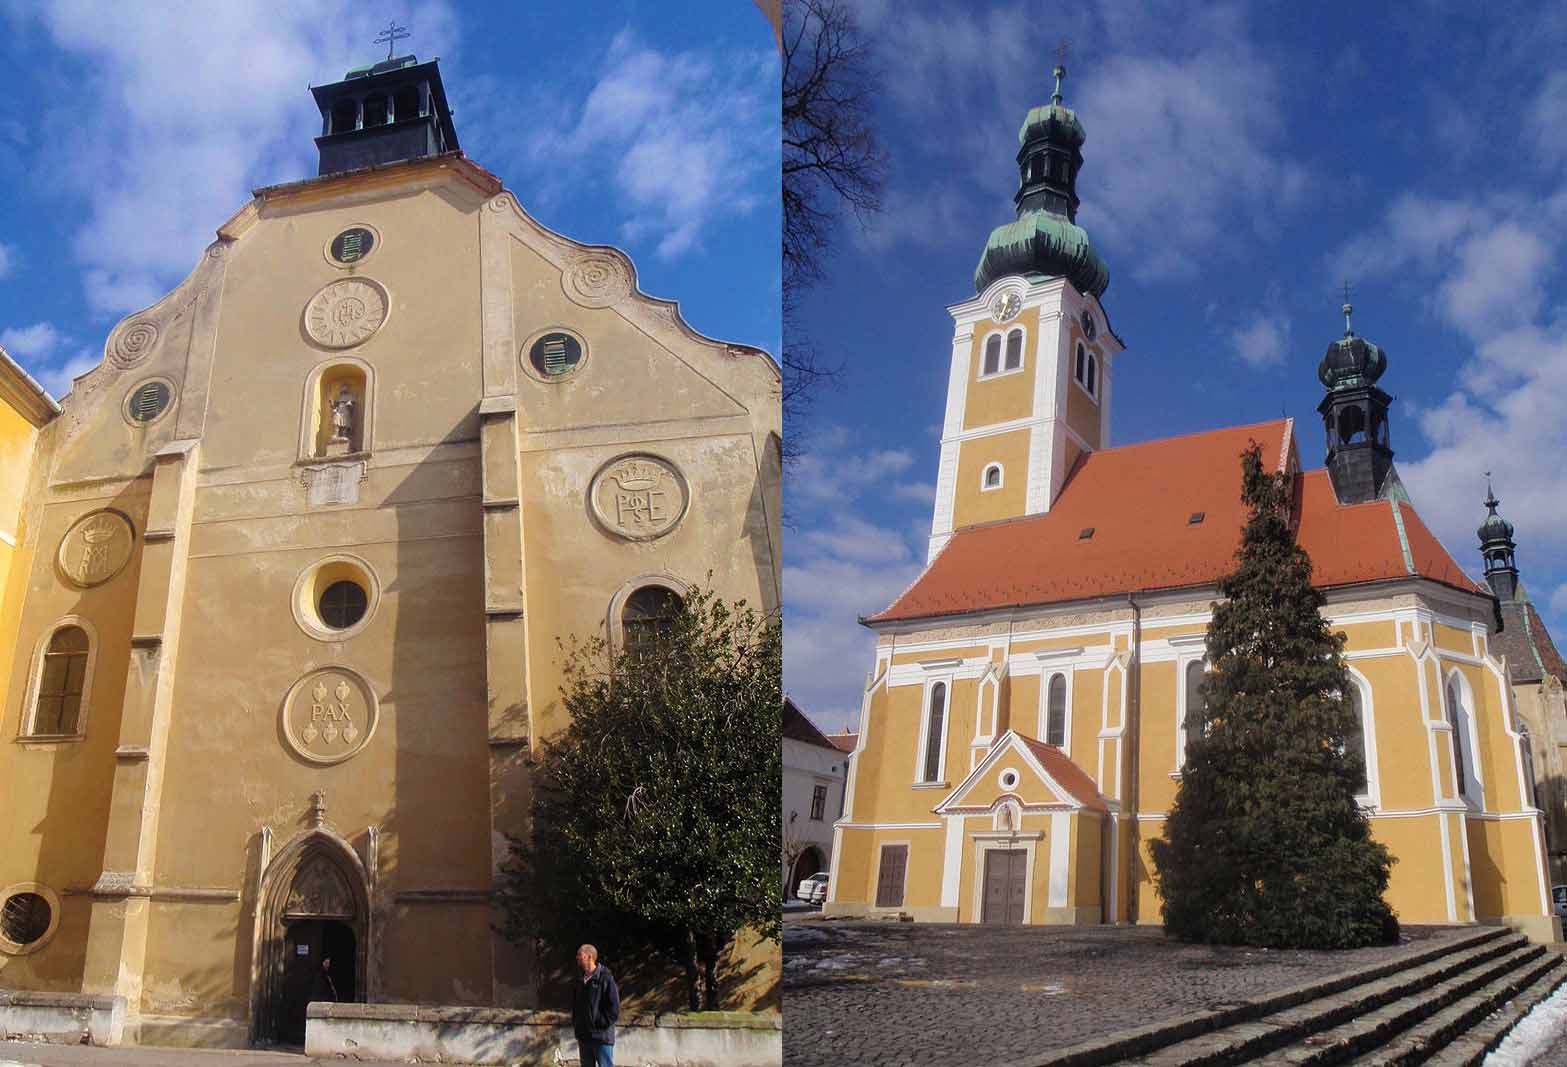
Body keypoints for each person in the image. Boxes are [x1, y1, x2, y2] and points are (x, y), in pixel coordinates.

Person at [571, 943, 620, 1067]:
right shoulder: (580, 981)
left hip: (601, 1037)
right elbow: (576, 1007)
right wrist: (578, 1025)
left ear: (589, 957)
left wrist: (598, 1024)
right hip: (584, 1037)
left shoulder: (606, 978)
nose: (577, 957)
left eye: (579, 955)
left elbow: (614, 1009)